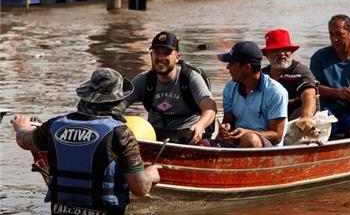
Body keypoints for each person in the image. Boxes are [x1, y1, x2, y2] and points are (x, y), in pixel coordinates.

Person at [11, 68, 161, 215]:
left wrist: (21, 127)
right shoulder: (120, 133)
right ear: (118, 101)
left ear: (86, 96)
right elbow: (140, 188)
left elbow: (24, 141)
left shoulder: (54, 126)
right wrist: (151, 174)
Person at [124, 31, 217, 144]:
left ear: (177, 57)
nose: (161, 57)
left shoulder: (190, 78)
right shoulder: (145, 79)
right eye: (157, 52)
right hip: (154, 138)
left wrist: (200, 125)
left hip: (188, 137)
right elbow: (119, 103)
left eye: (166, 53)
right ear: (151, 55)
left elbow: (210, 107)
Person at [217, 41, 288, 148]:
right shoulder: (230, 87)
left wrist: (246, 133)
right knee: (203, 144)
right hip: (236, 142)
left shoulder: (276, 91)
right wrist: (225, 127)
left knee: (250, 139)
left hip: (265, 147)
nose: (227, 67)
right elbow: (228, 120)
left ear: (247, 68)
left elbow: (277, 135)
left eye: (231, 63)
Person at [261, 29, 318, 120]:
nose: (281, 53)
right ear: (267, 55)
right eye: (275, 50)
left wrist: (306, 119)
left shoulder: (301, 72)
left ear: (291, 52)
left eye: (286, 49)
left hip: (295, 121)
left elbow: (309, 95)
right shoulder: (262, 76)